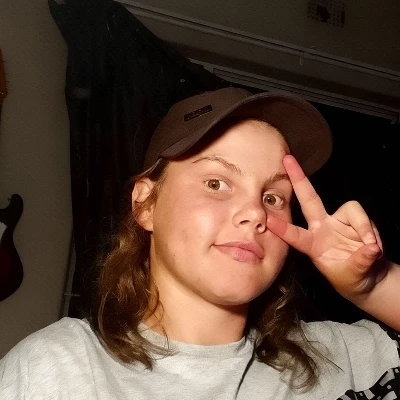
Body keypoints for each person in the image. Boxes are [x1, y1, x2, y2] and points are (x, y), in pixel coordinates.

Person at [1, 87, 399, 399]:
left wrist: (375, 286)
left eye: (272, 197)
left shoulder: (341, 360)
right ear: (146, 204)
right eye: (216, 183)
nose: (255, 213)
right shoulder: (57, 369)